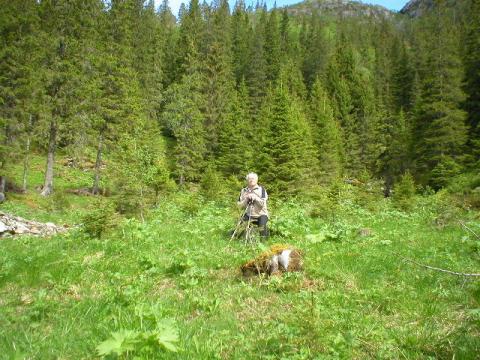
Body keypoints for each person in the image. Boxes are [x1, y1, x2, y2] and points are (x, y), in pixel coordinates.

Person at [237, 172, 269, 237]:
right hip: (248, 214)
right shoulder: (243, 190)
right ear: (247, 180)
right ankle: (236, 240)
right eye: (249, 178)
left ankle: (264, 243)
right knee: (238, 230)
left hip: (261, 214)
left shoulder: (262, 189)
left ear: (256, 180)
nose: (251, 180)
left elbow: (262, 204)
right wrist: (246, 200)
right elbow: (239, 205)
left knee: (262, 229)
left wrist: (255, 197)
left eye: (253, 178)